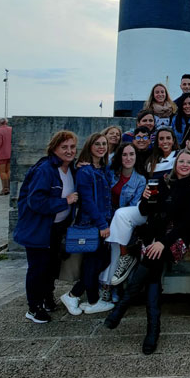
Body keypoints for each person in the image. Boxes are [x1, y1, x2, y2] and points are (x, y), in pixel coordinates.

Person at [104, 150, 190, 354]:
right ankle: (151, 331)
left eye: (189, 162)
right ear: (176, 165)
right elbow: (145, 212)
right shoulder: (163, 184)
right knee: (152, 274)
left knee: (152, 259)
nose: (184, 165)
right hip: (153, 237)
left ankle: (122, 309)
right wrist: (144, 198)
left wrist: (162, 243)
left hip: (175, 240)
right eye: (181, 161)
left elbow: (184, 225)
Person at [12, 130, 78, 323]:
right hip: (39, 228)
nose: (69, 151)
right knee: (37, 269)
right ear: (54, 148)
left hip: (56, 228)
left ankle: (47, 298)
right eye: (64, 147)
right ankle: (33, 307)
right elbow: (35, 200)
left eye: (72, 147)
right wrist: (64, 201)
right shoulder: (45, 169)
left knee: (51, 267)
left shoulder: (71, 169)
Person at [60, 133, 114, 315]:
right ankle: (80, 297)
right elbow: (88, 201)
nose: (101, 147)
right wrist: (101, 224)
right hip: (92, 222)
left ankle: (84, 297)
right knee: (94, 260)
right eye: (97, 143)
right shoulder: (85, 171)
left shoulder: (102, 168)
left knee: (99, 259)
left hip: (103, 219)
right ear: (90, 146)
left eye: (104, 144)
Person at [102, 143, 147, 301]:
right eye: (125, 154)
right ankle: (113, 286)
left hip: (123, 220)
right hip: (108, 217)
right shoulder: (111, 173)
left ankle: (110, 286)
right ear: (119, 157)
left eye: (131, 154)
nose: (128, 158)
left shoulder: (140, 180)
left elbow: (132, 207)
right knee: (111, 246)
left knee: (115, 245)